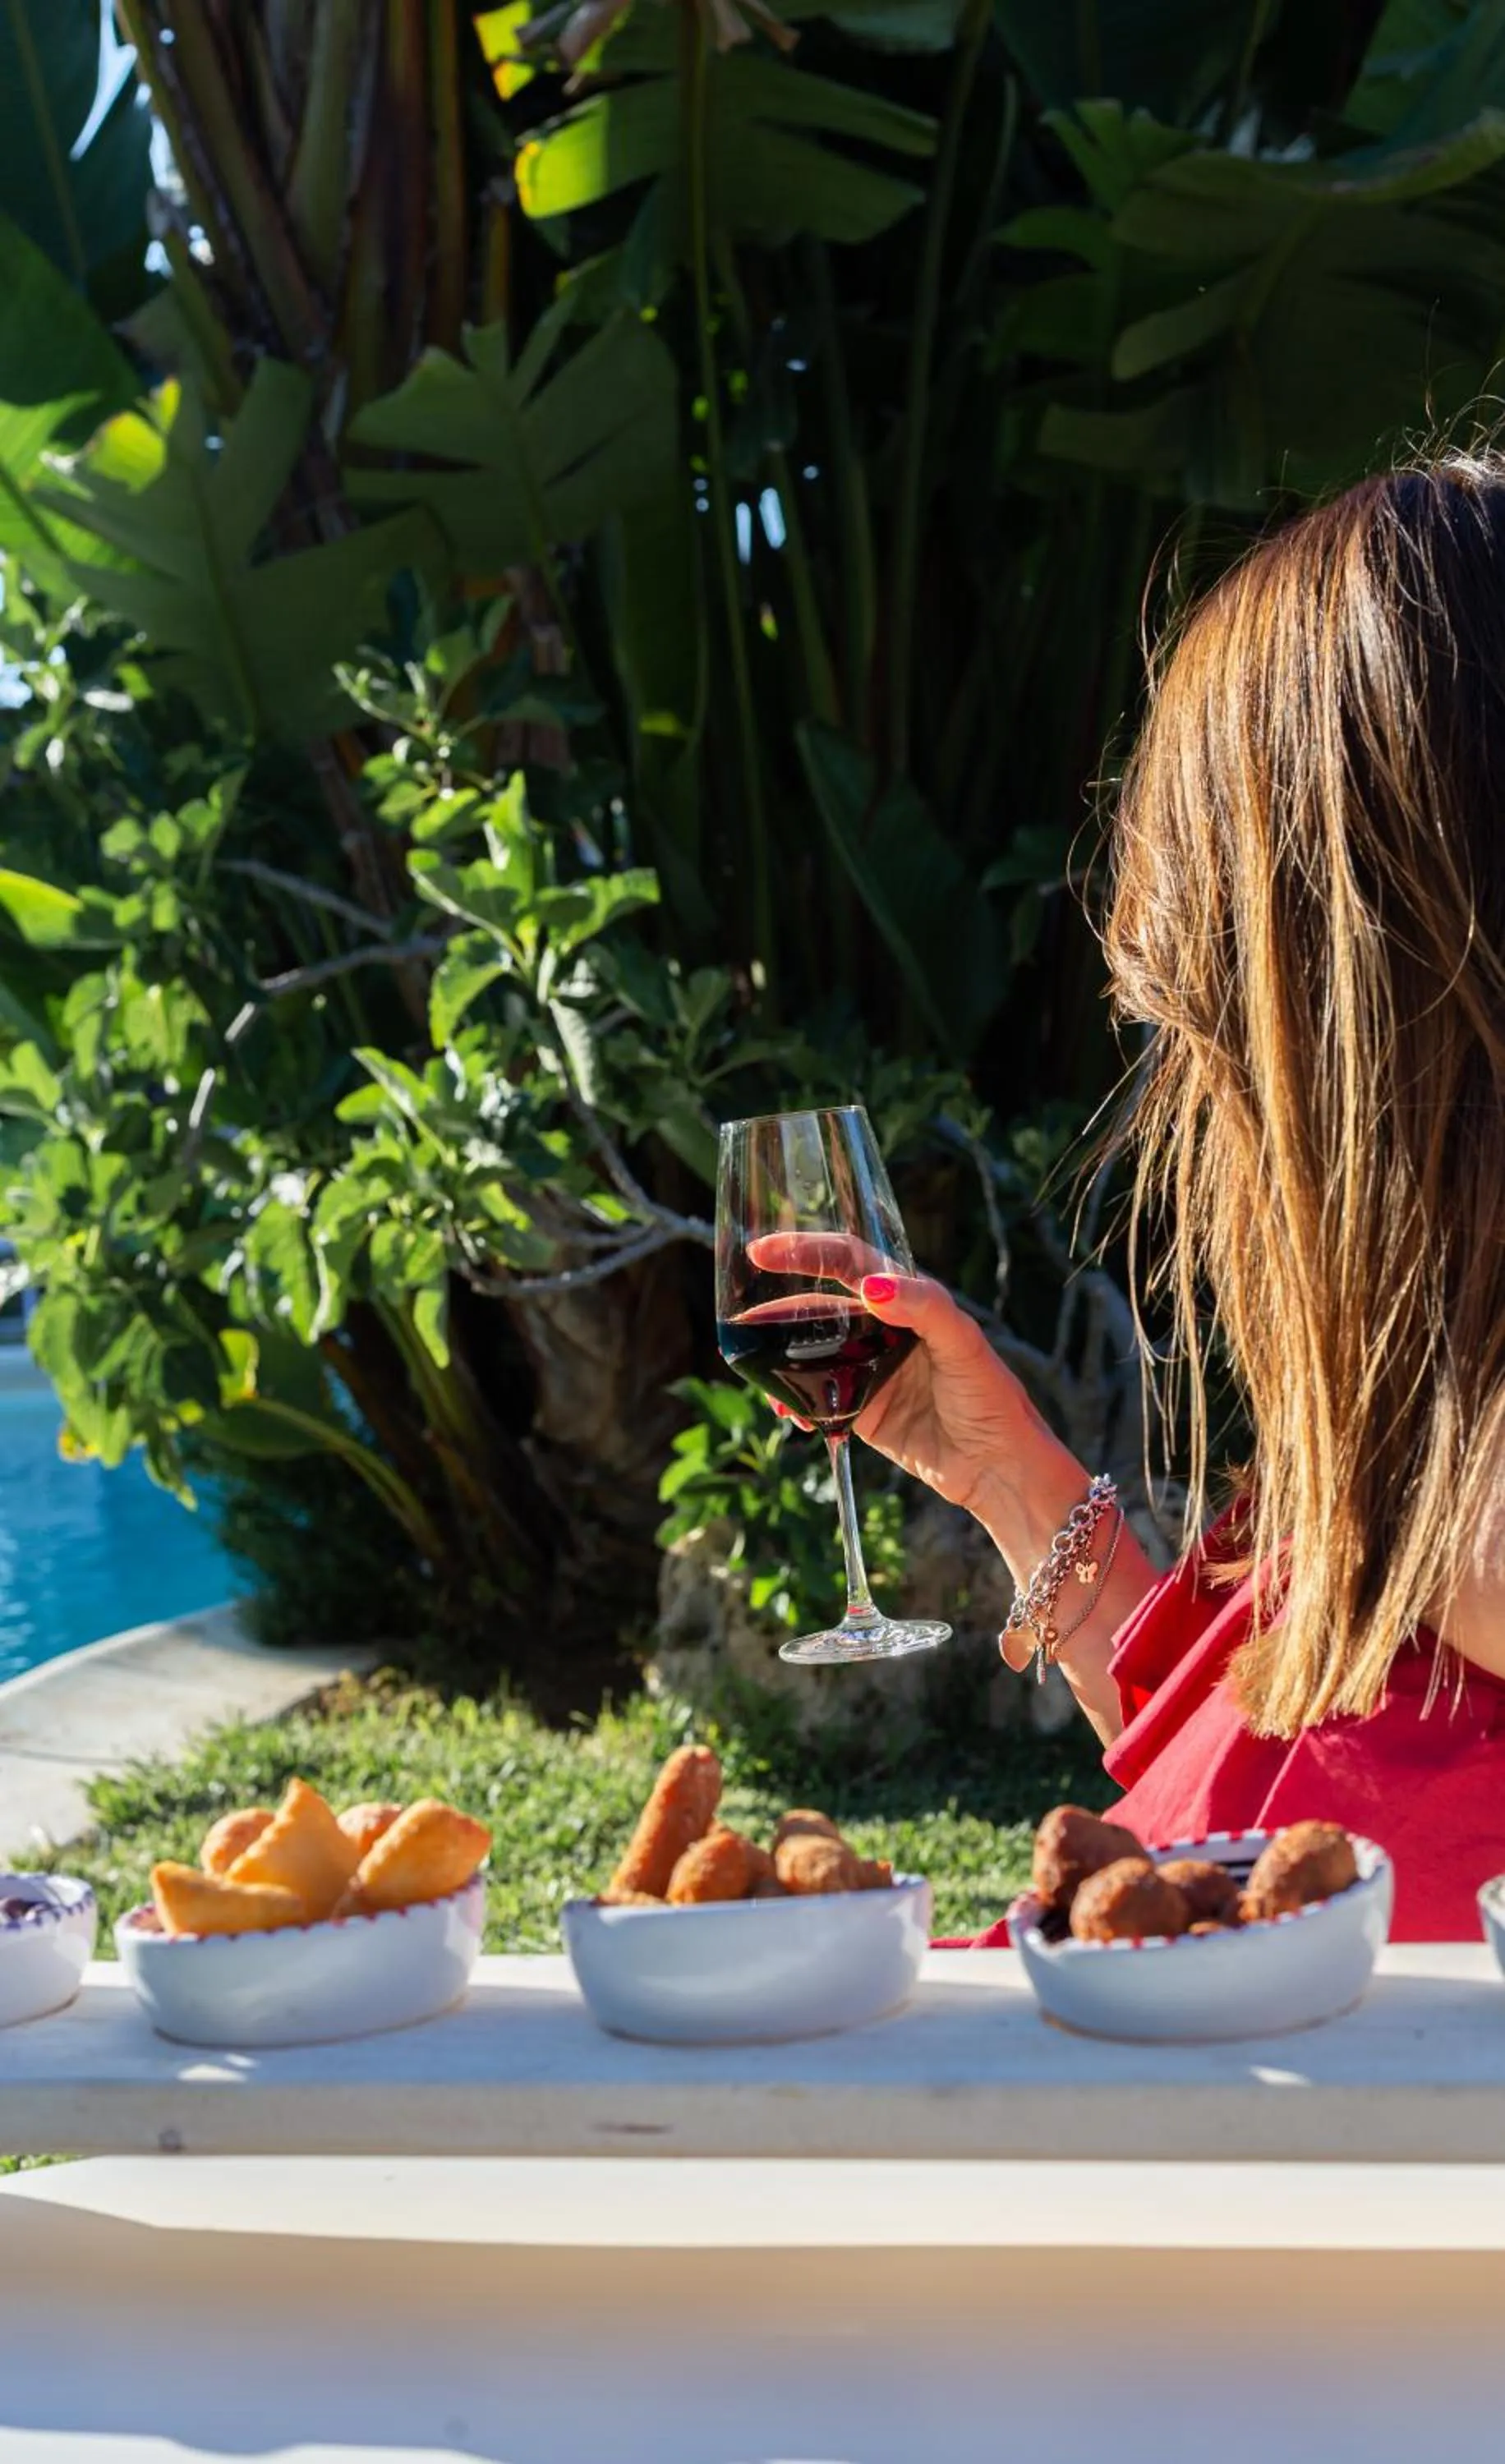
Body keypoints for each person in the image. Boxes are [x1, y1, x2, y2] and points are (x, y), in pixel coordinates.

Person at [770, 454, 1505, 1941]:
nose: (1205, 1088)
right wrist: (1006, 1477)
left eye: (1222, 1019)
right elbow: (1266, 1784)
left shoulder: (1473, 1482)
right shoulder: (1437, 1417)